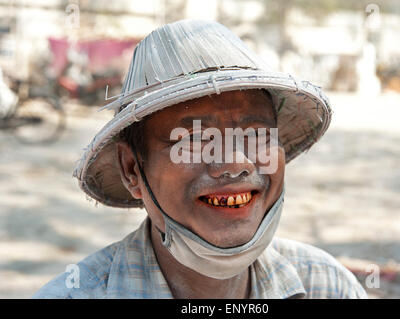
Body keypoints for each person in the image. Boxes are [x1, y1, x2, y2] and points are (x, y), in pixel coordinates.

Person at [33, 19, 367, 299]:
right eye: (195, 139)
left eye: (256, 134)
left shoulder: (327, 286)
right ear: (132, 169)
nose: (235, 163)